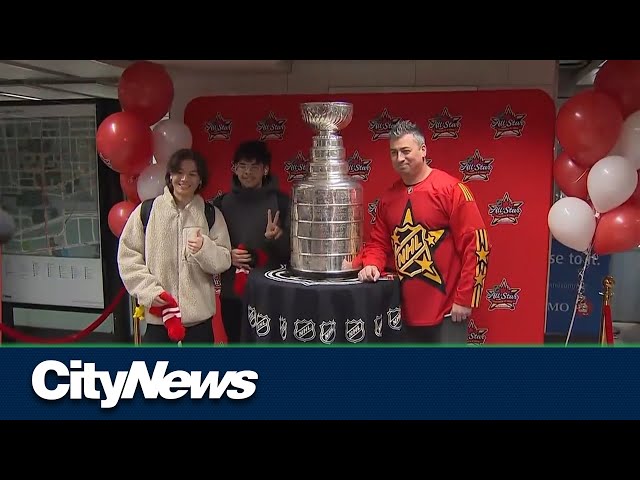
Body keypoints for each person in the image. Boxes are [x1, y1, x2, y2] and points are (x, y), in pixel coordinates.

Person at [358, 120, 490, 344]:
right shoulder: (388, 199)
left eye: (405, 151)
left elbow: (477, 246)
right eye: (393, 152)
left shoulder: (452, 190)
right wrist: (371, 263)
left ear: (423, 150)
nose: (400, 158)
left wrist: (465, 298)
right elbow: (378, 243)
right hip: (401, 312)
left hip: (448, 312)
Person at [117, 148, 232, 344]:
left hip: (199, 321)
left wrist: (204, 249)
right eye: (179, 172)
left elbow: (224, 260)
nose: (184, 179)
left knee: (199, 375)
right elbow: (128, 256)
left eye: (192, 174)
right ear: (170, 176)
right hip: (159, 317)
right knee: (158, 374)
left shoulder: (211, 214)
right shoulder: (147, 211)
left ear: (200, 180)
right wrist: (149, 291)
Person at [212, 140, 290, 343]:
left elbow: (295, 253)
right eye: (243, 166)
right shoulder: (221, 205)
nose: (248, 172)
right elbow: (209, 248)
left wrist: (278, 237)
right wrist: (227, 255)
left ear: (265, 170)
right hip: (232, 295)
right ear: (235, 169)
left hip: (271, 292)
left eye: (255, 166)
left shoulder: (282, 202)